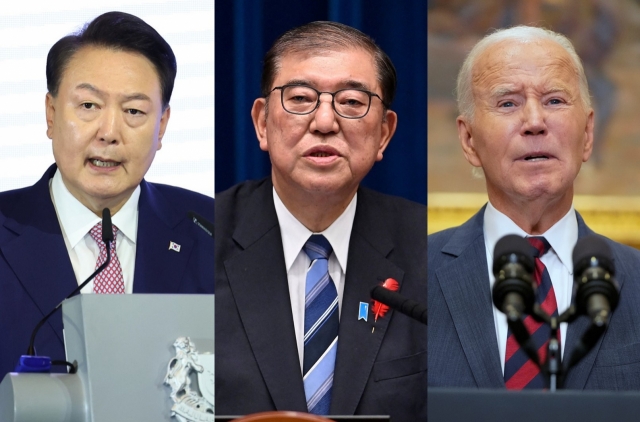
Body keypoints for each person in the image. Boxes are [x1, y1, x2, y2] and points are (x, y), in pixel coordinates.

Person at [215, 21, 426, 421]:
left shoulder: (429, 249)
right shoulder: (201, 240)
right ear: (262, 123)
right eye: (300, 98)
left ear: (384, 133)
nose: (325, 122)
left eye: (350, 102)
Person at [0, 12, 214, 377]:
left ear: (161, 127)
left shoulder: (212, 230)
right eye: (88, 106)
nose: (109, 132)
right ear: (51, 115)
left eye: (133, 111)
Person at [428, 25, 640, 390]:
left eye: (555, 100)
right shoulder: (415, 273)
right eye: (507, 102)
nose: (535, 122)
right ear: (468, 140)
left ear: (588, 134)